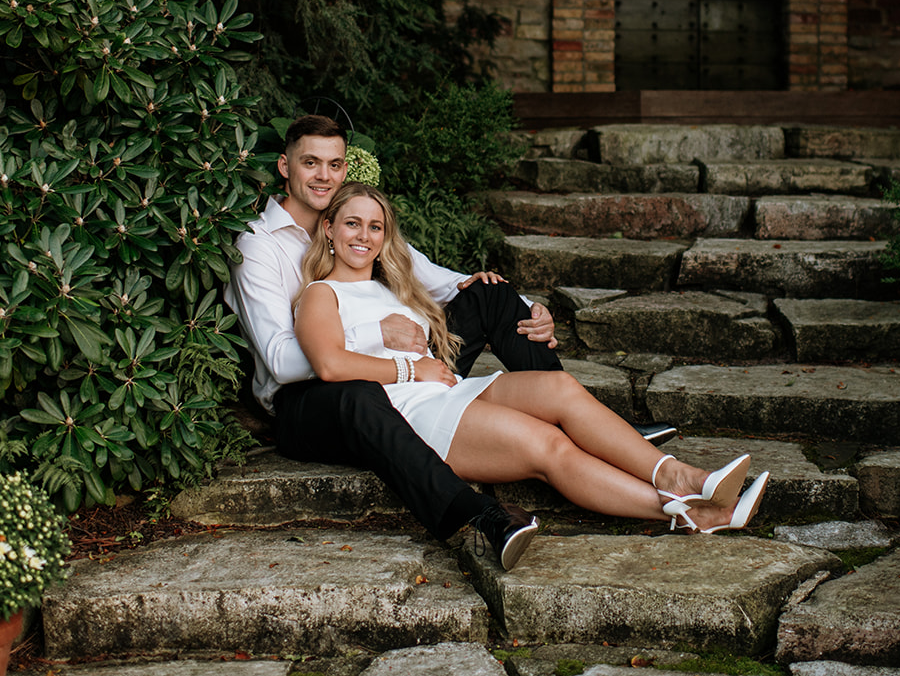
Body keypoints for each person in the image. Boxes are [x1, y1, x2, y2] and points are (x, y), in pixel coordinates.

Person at [224, 113, 674, 567]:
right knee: (359, 394)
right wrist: (375, 337)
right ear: (285, 166)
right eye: (311, 163)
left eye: (335, 165)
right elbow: (282, 360)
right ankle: (476, 516)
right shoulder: (259, 246)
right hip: (308, 399)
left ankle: (586, 428)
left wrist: (530, 309)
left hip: (396, 369)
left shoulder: (357, 221)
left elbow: (444, 282)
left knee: (490, 294)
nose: (324, 176)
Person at [295, 182, 770, 567]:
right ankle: (683, 510)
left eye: (375, 226)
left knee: (559, 387)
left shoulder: (397, 290)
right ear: (330, 230)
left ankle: (683, 475)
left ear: (385, 238)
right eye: (352, 223)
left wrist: (527, 311)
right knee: (548, 445)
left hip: (451, 389)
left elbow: (467, 293)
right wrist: (408, 365)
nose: (364, 235)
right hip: (412, 411)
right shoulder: (321, 294)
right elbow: (330, 364)